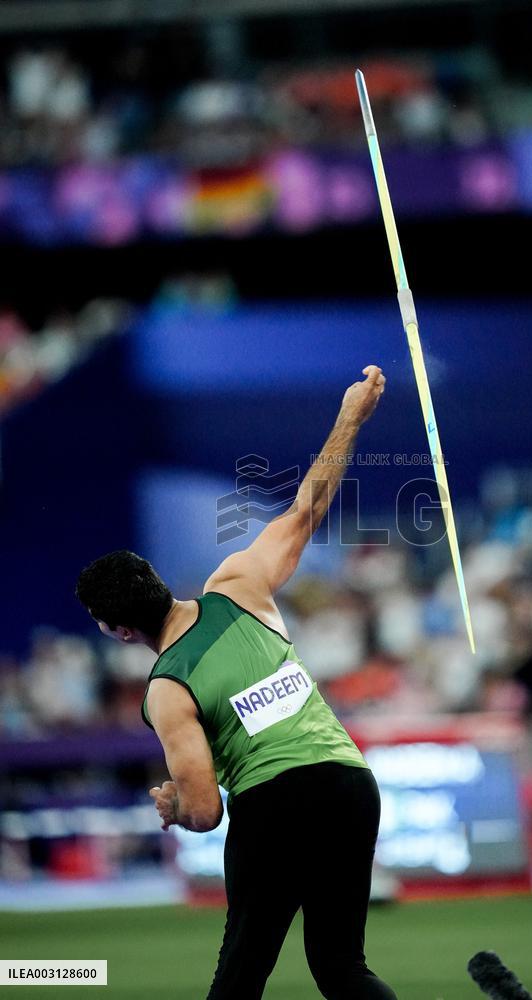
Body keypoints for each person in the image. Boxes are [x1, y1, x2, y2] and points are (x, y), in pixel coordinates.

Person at [76, 365, 397, 1000]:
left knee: (240, 980)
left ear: (115, 631)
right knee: (340, 966)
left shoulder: (167, 690)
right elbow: (309, 507)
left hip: (274, 806)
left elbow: (203, 809)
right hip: (348, 783)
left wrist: (172, 804)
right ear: (159, 580)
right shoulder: (237, 587)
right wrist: (351, 416)